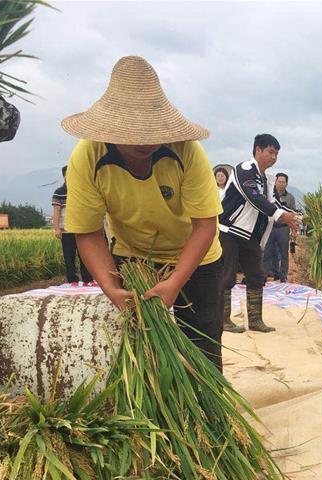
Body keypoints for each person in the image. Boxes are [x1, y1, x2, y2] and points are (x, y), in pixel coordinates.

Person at [61, 55, 226, 370]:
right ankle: (149, 411)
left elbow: (205, 225)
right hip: (134, 256)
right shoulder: (87, 156)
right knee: (138, 343)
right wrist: (111, 289)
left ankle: (207, 412)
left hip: (196, 256)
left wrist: (176, 281)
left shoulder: (186, 150)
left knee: (203, 342)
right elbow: (88, 231)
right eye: (134, 135)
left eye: (151, 133)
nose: (145, 143)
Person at [219, 134, 301, 333]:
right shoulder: (245, 170)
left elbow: (273, 203)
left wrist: (294, 217)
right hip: (230, 230)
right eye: (270, 152)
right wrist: (282, 215)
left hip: (251, 235)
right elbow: (253, 197)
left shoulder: (268, 179)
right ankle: (223, 320)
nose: (274, 157)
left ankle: (255, 321)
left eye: (276, 154)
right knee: (227, 275)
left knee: (256, 275)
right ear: (258, 150)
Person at [51, 165, 94, 286]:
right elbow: (56, 211)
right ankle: (73, 280)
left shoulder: (81, 191)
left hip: (81, 229)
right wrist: (57, 229)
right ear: (64, 176)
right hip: (66, 230)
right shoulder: (59, 193)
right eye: (67, 174)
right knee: (69, 256)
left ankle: (87, 280)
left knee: (84, 255)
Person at [263, 172, 298, 282]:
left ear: (286, 184)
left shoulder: (290, 197)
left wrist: (294, 230)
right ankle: (264, 276)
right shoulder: (270, 195)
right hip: (270, 227)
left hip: (283, 228)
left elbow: (293, 215)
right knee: (267, 252)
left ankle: (283, 277)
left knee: (284, 253)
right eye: (279, 182)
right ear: (275, 182)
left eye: (284, 182)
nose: (281, 184)